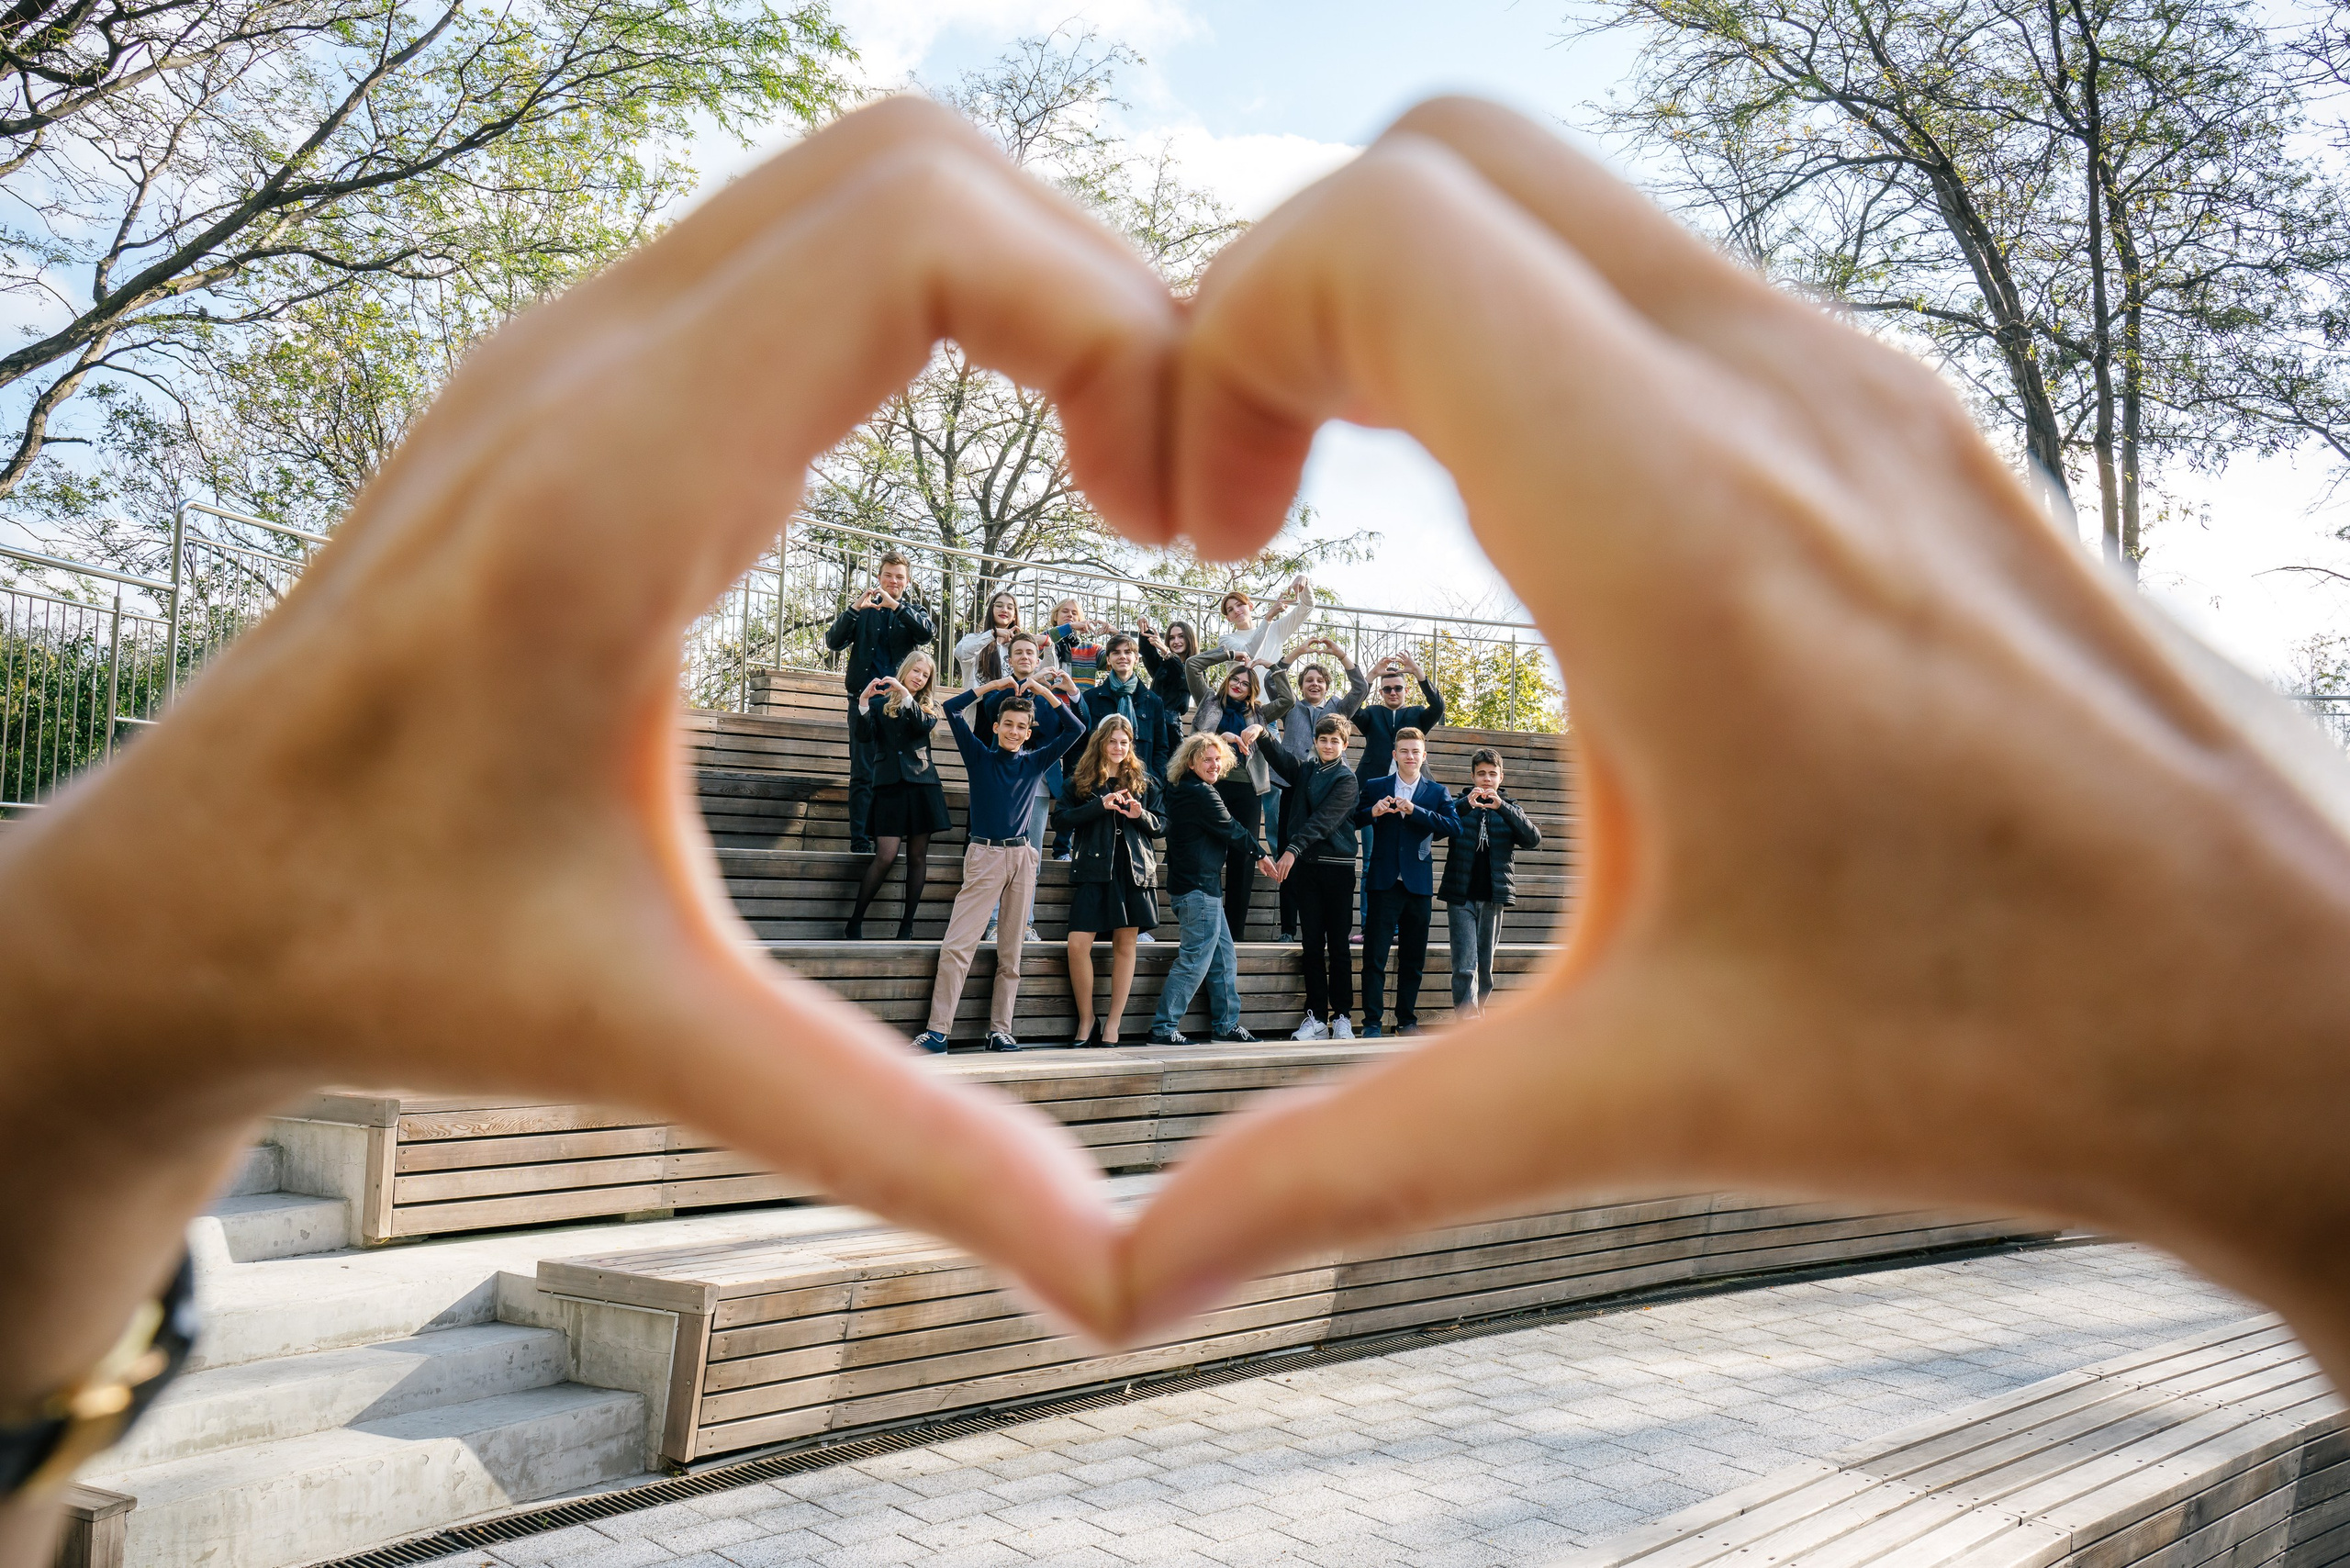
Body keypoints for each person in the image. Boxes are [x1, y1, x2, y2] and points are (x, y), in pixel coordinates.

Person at [14, 101, 2350, 1546]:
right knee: (1047, 921)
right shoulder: (977, 681)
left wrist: (60, 1044)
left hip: (1242, 876)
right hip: (1090, 844)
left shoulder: (1348, 744)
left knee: (1212, 950)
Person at [912, 674, 1085, 1055]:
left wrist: (1041, 691)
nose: (1014, 730)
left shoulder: (1036, 760)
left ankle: (1000, 1030)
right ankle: (938, 1032)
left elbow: (1076, 727)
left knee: (1012, 951)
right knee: (958, 946)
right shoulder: (980, 757)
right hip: (985, 854)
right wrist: (994, 687)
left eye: (1022, 726)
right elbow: (951, 708)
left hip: (1022, 858)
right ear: (996, 726)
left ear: (1028, 732)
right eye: (1008, 724)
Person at [1150, 733, 1278, 1046]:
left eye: (1217, 758)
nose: (1213, 764)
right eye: (1206, 759)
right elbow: (1232, 828)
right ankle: (1163, 1028)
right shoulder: (1200, 793)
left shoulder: (1185, 788)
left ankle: (1226, 1025)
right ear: (1190, 761)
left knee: (1224, 960)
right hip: (1196, 888)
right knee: (1194, 960)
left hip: (1202, 887)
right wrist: (1261, 855)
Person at [1056, 715, 1164, 1047]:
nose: (1118, 747)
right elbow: (1059, 819)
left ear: (1131, 745)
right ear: (1101, 742)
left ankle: (1113, 1024)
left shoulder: (1146, 781)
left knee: (1125, 946)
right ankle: (1087, 1019)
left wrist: (1140, 815)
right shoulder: (1080, 781)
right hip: (1093, 869)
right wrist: (1097, 807)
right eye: (1113, 740)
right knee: (1077, 945)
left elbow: (1162, 826)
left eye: (1124, 742)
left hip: (1134, 872)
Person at [822, 552, 933, 856]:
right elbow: (833, 641)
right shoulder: (862, 610)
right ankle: (860, 841)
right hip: (865, 701)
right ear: (879, 577)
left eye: (899, 577)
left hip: (896, 705)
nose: (893, 581)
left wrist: (896, 606)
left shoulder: (912, 611)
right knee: (862, 771)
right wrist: (856, 607)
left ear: (906, 581)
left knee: (893, 775)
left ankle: (888, 838)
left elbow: (925, 632)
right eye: (888, 575)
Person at [1261, 714, 1363, 1039]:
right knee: (1311, 944)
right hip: (1307, 869)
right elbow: (1282, 758)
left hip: (1337, 869)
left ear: (1344, 745)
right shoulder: (1305, 770)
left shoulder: (1347, 780)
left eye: (1335, 741)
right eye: (1323, 740)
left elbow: (1323, 820)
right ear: (1316, 742)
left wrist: (1291, 849)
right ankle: (1317, 1017)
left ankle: (1343, 1016)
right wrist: (1260, 735)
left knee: (1338, 946)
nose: (1329, 745)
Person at [1354, 728, 1459, 1038]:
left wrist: (1416, 811)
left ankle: (1406, 1021)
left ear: (1423, 756)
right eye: (1404, 751)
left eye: (1415, 751)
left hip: (1418, 887)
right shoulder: (1376, 786)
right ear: (1394, 754)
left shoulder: (1437, 792)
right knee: (1374, 958)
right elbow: (1352, 818)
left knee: (1413, 960)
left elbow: (1454, 827)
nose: (1410, 756)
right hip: (1383, 883)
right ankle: (1372, 1022)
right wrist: (1372, 812)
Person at [1184, 658, 1295, 940]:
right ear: (1227, 679)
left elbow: (1287, 699)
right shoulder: (1208, 700)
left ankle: (1234, 933)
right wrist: (1228, 654)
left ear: (1251, 690)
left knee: (1242, 860)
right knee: (1206, 855)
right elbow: (1193, 666)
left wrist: (1273, 667)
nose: (1239, 686)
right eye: (1235, 679)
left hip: (1246, 789)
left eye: (1246, 684)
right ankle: (1202, 928)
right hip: (1210, 787)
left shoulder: (1258, 712)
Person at [847, 651, 951, 941]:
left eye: (925, 675)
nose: (919, 677)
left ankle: (907, 926)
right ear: (905, 669)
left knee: (918, 857)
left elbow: (921, 726)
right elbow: (864, 736)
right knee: (886, 855)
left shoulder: (929, 707)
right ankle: (855, 922)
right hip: (889, 787)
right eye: (916, 671)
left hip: (922, 786)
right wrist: (864, 704)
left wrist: (906, 694)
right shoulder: (880, 706)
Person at [1270, 636, 1368, 939]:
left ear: (1326, 685)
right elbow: (1274, 681)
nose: (1314, 684)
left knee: (1314, 854)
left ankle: (1323, 927)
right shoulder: (1292, 708)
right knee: (1287, 852)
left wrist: (1339, 653)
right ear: (1301, 686)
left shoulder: (1339, 709)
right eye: (1308, 680)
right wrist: (1298, 651)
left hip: (1330, 792)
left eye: (1319, 680)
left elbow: (1361, 688)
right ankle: (1288, 927)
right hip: (1293, 786)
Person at [1439, 748, 1542, 1018]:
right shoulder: (1457, 804)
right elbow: (1436, 831)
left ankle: (1479, 1012)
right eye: (1481, 774)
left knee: (1484, 964)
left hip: (1493, 897)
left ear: (1501, 777)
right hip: (1460, 896)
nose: (1486, 779)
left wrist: (1503, 807)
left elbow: (1533, 839)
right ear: (1472, 776)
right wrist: (1464, 806)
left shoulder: (1511, 808)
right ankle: (1467, 1018)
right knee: (1464, 963)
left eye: (1492, 774)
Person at [1080, 633, 1170, 782]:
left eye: (1128, 652)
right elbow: (1082, 743)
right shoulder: (1091, 698)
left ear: (1136, 658)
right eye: (1116, 652)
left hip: (1141, 780)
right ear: (1108, 660)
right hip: (1100, 779)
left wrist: (1155, 779)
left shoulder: (1152, 701)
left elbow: (1161, 747)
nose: (1122, 656)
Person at [1353, 652, 1444, 783]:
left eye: (1398, 688)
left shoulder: (1418, 713)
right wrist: (1371, 675)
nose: (1393, 693)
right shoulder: (1372, 713)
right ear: (1381, 692)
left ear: (1406, 691)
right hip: (1372, 779)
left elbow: (1439, 706)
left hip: (1414, 780)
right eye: (1387, 689)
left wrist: (1417, 671)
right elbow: (1352, 708)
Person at [955, 590, 1058, 689]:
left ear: (1014, 616)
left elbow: (1048, 675)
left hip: (1015, 704)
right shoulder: (976, 640)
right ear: (991, 611)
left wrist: (1048, 644)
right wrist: (993, 633)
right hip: (981, 705)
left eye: (1010, 607)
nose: (1004, 610)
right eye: (999, 606)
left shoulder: (1021, 648)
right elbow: (960, 653)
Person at [1136, 613, 1198, 760]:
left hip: (1171, 725)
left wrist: (1165, 650)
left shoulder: (1195, 665)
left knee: (1170, 771)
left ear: (1189, 638)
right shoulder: (1163, 666)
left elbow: (1182, 673)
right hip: (1151, 721)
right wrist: (1145, 632)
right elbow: (1149, 655)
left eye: (1181, 636)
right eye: (1171, 638)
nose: (1176, 641)